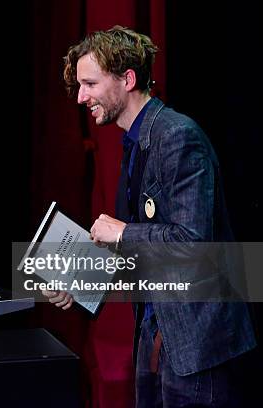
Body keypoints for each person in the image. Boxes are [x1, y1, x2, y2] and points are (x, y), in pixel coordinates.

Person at [43, 26, 256, 407]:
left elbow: (193, 244)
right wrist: (80, 284)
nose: (81, 97)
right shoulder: (137, 141)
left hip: (198, 348)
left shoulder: (177, 137)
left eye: (89, 83)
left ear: (127, 79)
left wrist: (123, 231)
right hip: (159, 342)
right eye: (79, 86)